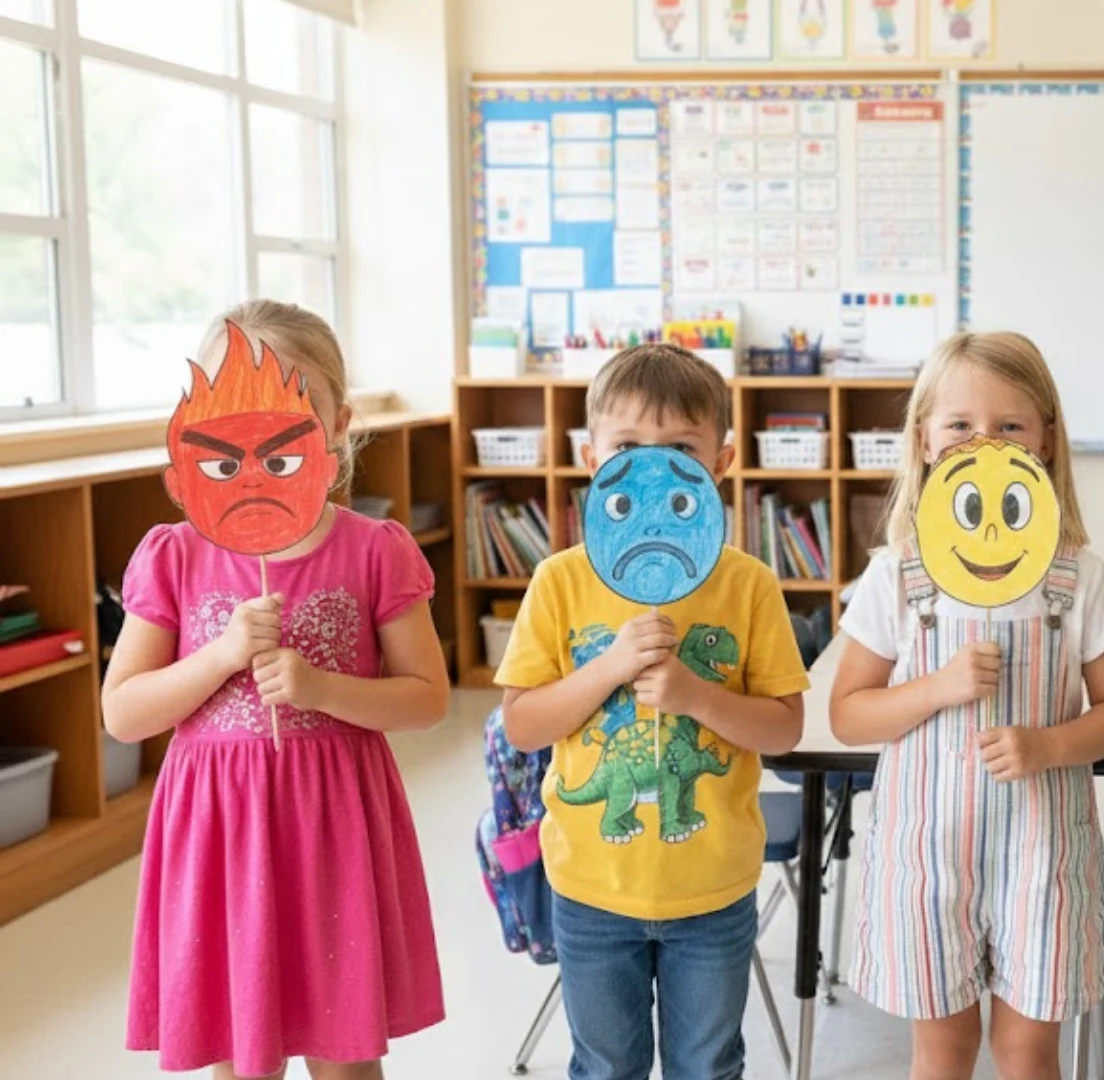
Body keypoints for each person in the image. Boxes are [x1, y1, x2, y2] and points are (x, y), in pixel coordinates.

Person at [105, 300, 449, 1080]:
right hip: (219, 837)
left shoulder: (376, 551)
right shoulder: (175, 556)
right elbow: (123, 713)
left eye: (293, 409)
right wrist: (222, 656)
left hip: (334, 831)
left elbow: (427, 698)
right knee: (239, 1055)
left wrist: (321, 687)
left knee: (344, 1056)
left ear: (336, 424)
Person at [831, 331, 1104, 1080]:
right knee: (942, 1047)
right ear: (926, 441)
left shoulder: (1078, 576)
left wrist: (1047, 746)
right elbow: (848, 712)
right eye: (961, 424)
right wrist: (937, 686)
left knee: (1027, 1048)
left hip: (1043, 855)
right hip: (926, 857)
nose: (985, 440)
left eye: (1010, 425)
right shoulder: (896, 575)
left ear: (1043, 441)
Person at [496, 344, 809, 1080]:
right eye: (628, 447)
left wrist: (694, 696)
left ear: (723, 462)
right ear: (589, 455)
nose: (653, 467)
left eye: (681, 450)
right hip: (590, 888)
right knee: (606, 1067)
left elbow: (786, 727)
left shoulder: (749, 584)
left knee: (708, 1066)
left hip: (717, 887)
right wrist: (611, 666)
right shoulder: (559, 581)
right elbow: (523, 724)